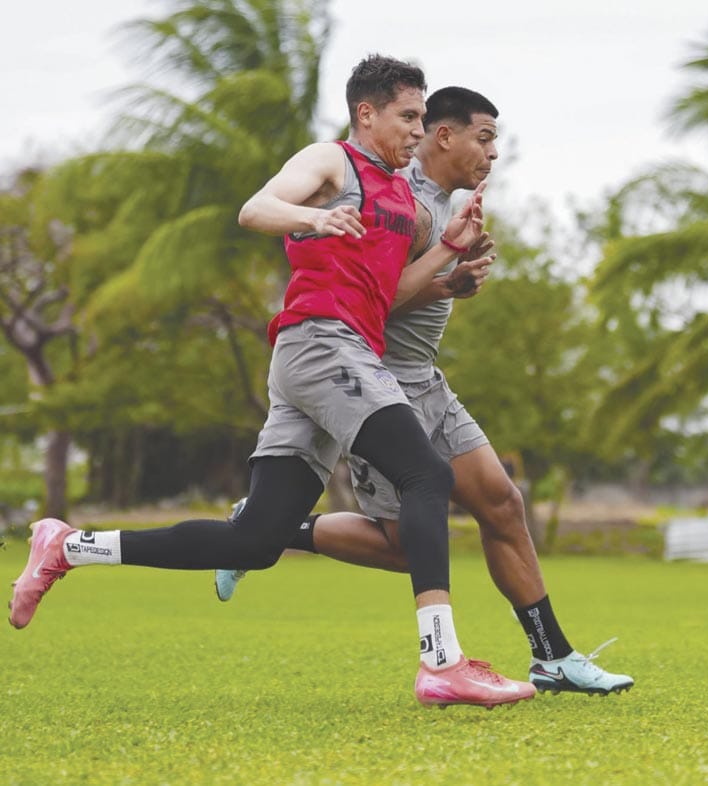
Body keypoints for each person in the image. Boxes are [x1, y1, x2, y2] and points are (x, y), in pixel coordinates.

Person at [8, 55, 535, 710]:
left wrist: (448, 252)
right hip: (321, 345)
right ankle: (441, 662)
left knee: (256, 541)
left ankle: (67, 545)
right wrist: (314, 218)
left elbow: (383, 296)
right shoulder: (331, 162)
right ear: (366, 113)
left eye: (423, 118)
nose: (417, 130)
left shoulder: (401, 196)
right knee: (426, 474)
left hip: (332, 353)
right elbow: (256, 208)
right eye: (408, 116)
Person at [215, 86, 634, 696]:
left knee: (502, 504)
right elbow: (365, 306)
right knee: (407, 546)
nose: (493, 154)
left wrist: (453, 280)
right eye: (484, 138)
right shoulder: (398, 197)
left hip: (427, 379)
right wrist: (445, 279)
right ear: (444, 135)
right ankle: (265, 529)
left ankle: (554, 658)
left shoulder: (442, 202)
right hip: (374, 381)